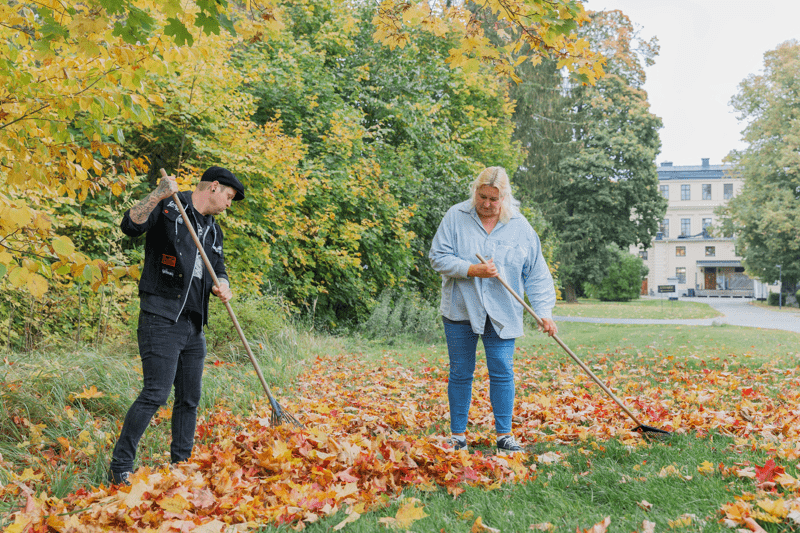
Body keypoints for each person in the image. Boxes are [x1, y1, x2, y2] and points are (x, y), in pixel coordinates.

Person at [108, 166, 245, 484]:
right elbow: (130, 225)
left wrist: (223, 283)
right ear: (213, 187)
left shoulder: (213, 230)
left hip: (194, 324)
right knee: (155, 393)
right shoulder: (170, 206)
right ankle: (120, 468)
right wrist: (157, 193)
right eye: (228, 197)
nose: (228, 204)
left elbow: (219, 265)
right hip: (160, 316)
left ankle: (181, 466)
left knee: (189, 398)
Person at [429, 166, 557, 454]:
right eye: (482, 196)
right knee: (461, 371)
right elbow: (437, 257)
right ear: (475, 191)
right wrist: (471, 269)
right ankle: (458, 436)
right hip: (461, 308)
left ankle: (504, 436)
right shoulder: (455, 217)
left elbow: (536, 273)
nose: (486, 204)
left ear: (505, 198)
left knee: (502, 369)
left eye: (493, 199)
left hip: (502, 311)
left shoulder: (520, 226)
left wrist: (544, 311)